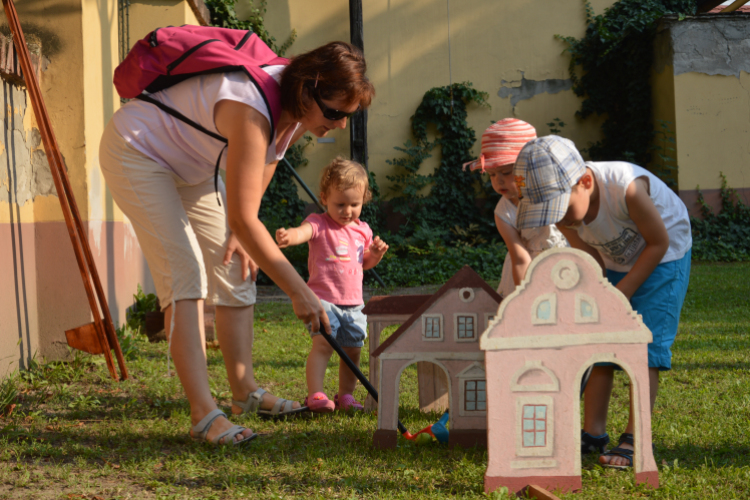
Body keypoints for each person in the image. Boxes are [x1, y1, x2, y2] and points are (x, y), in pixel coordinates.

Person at [99, 42, 375, 446]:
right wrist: (298, 290)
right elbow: (246, 217)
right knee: (185, 272)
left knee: (236, 262)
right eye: (335, 113)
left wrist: (239, 232)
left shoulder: (295, 110)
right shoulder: (251, 107)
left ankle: (245, 393)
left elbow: (263, 171)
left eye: (348, 117)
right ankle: (203, 415)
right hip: (138, 151)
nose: (339, 125)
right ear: (309, 90)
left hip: (192, 166)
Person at [513, 135, 692, 468]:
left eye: (561, 208)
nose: (562, 220)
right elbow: (588, 254)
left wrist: (621, 293)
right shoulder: (567, 216)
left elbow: (658, 242)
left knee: (644, 348)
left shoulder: (627, 189)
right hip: (616, 261)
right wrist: (597, 292)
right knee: (600, 345)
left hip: (665, 256)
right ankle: (593, 433)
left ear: (585, 182)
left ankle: (636, 437)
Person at [275, 157, 388, 412]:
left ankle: (345, 396)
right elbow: (303, 232)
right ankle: (315, 394)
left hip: (354, 304)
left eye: (354, 204)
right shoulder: (318, 222)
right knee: (324, 344)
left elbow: (364, 262)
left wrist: (377, 254)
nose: (347, 210)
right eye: (340, 204)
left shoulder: (363, 230)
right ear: (324, 197)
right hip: (323, 300)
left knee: (353, 352)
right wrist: (289, 236)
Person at [464, 119, 566, 298]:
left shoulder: (554, 196)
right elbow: (520, 259)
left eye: (506, 172)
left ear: (530, 167)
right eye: (492, 174)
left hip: (563, 265)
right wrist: (525, 298)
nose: (498, 181)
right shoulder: (503, 212)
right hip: (524, 274)